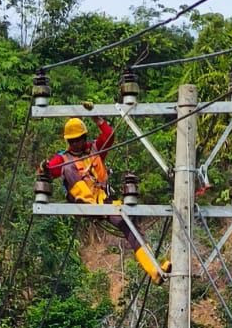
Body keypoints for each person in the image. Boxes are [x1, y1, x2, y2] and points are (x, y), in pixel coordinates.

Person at [41, 117, 168, 283]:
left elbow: (109, 135)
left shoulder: (95, 149)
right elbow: (50, 168)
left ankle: (154, 270)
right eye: (72, 141)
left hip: (103, 200)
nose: (76, 144)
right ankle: (87, 202)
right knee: (68, 168)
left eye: (79, 140)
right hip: (81, 202)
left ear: (84, 138)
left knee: (129, 225)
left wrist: (98, 119)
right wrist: (45, 167)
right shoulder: (63, 159)